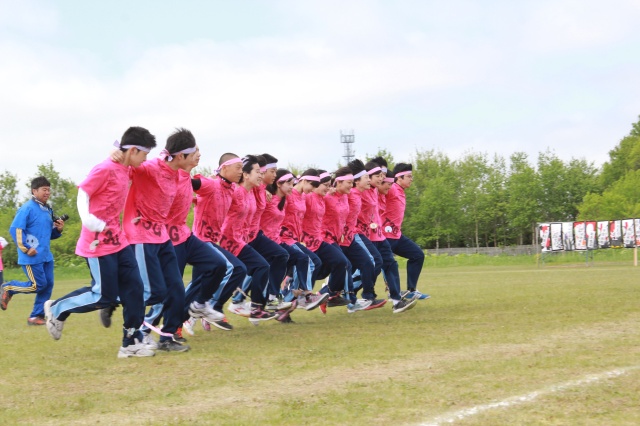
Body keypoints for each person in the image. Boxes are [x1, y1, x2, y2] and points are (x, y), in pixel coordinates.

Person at [42, 127, 156, 358]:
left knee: (135, 289)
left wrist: (117, 150)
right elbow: (83, 192)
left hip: (118, 241)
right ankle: (57, 308)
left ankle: (130, 342)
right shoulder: (104, 168)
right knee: (104, 296)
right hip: (97, 244)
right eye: (144, 153)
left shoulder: (128, 168)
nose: (146, 159)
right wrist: (88, 219)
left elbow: (158, 161)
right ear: (133, 150)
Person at [121, 129, 195, 353]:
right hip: (141, 236)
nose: (197, 157)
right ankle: (117, 308)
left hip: (162, 236)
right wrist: (116, 154)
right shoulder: (150, 167)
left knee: (176, 289)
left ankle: (166, 337)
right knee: (153, 292)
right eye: (193, 153)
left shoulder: (178, 173)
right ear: (180, 156)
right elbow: (127, 166)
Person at [261, 169, 328, 318]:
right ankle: (298, 296)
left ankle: (295, 297)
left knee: (307, 261)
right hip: (276, 239)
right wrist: (263, 190)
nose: (314, 188)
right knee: (252, 272)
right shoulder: (281, 197)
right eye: (313, 184)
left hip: (288, 239)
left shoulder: (298, 197)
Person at [0, 177, 65, 325]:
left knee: (48, 285)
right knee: (37, 285)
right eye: (44, 189)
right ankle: (8, 288)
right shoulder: (27, 208)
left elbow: (48, 234)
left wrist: (58, 229)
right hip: (31, 257)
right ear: (34, 191)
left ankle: (36, 316)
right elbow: (15, 229)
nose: (47, 192)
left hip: (46, 256)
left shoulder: (47, 209)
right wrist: (25, 248)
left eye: (49, 189)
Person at [359, 161, 416, 313]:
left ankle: (397, 301)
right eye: (378, 177)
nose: (383, 181)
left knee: (390, 263)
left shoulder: (376, 192)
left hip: (379, 235)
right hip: (365, 236)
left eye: (382, 176)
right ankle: (340, 292)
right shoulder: (360, 191)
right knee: (368, 267)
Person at [382, 162, 429, 300]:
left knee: (417, 255)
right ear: (399, 178)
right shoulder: (392, 189)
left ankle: (412, 290)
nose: (411, 179)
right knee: (376, 265)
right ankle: (338, 290)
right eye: (409, 176)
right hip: (384, 237)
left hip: (397, 236)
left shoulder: (401, 192)